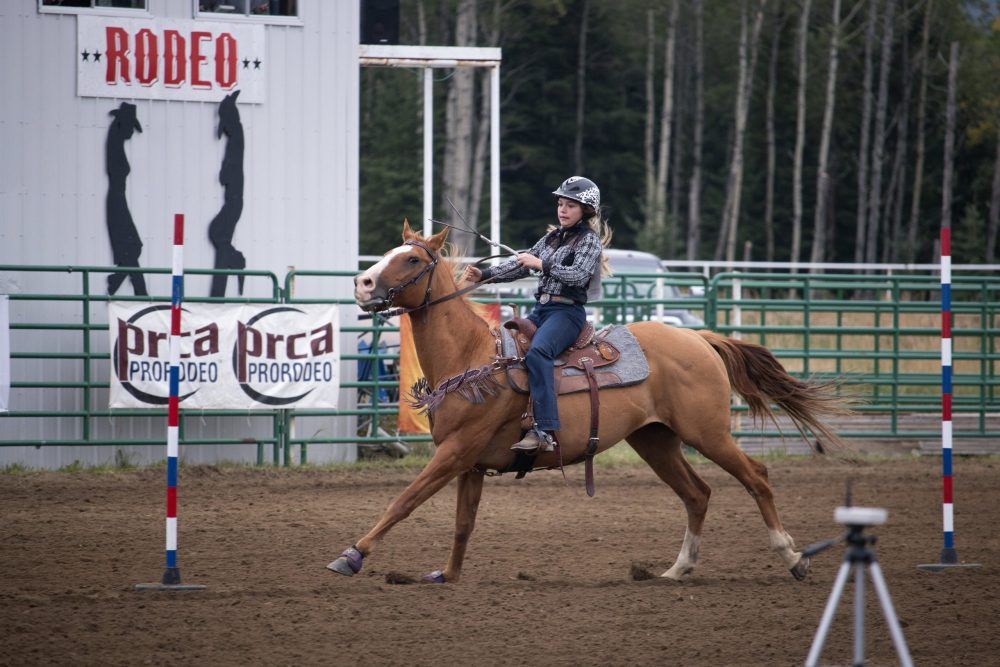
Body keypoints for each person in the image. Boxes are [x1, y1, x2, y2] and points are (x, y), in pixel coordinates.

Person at [461, 176, 612, 453]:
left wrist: (541, 263)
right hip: (542, 310)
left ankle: (545, 429)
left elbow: (577, 275)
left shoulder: (589, 242)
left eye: (570, 205)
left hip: (567, 313)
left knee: (538, 353)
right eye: (560, 204)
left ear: (585, 211)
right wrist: (484, 275)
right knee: (506, 350)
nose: (563, 210)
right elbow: (519, 265)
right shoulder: (552, 237)